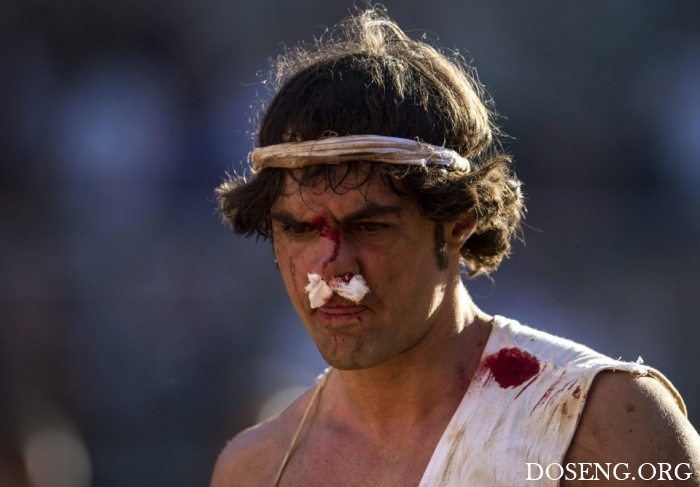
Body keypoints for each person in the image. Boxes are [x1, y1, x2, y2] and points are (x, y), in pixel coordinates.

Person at [211, 6, 700, 486]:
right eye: (298, 229)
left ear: (456, 223)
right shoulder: (256, 469)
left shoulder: (605, 427)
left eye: (370, 227)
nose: (331, 267)